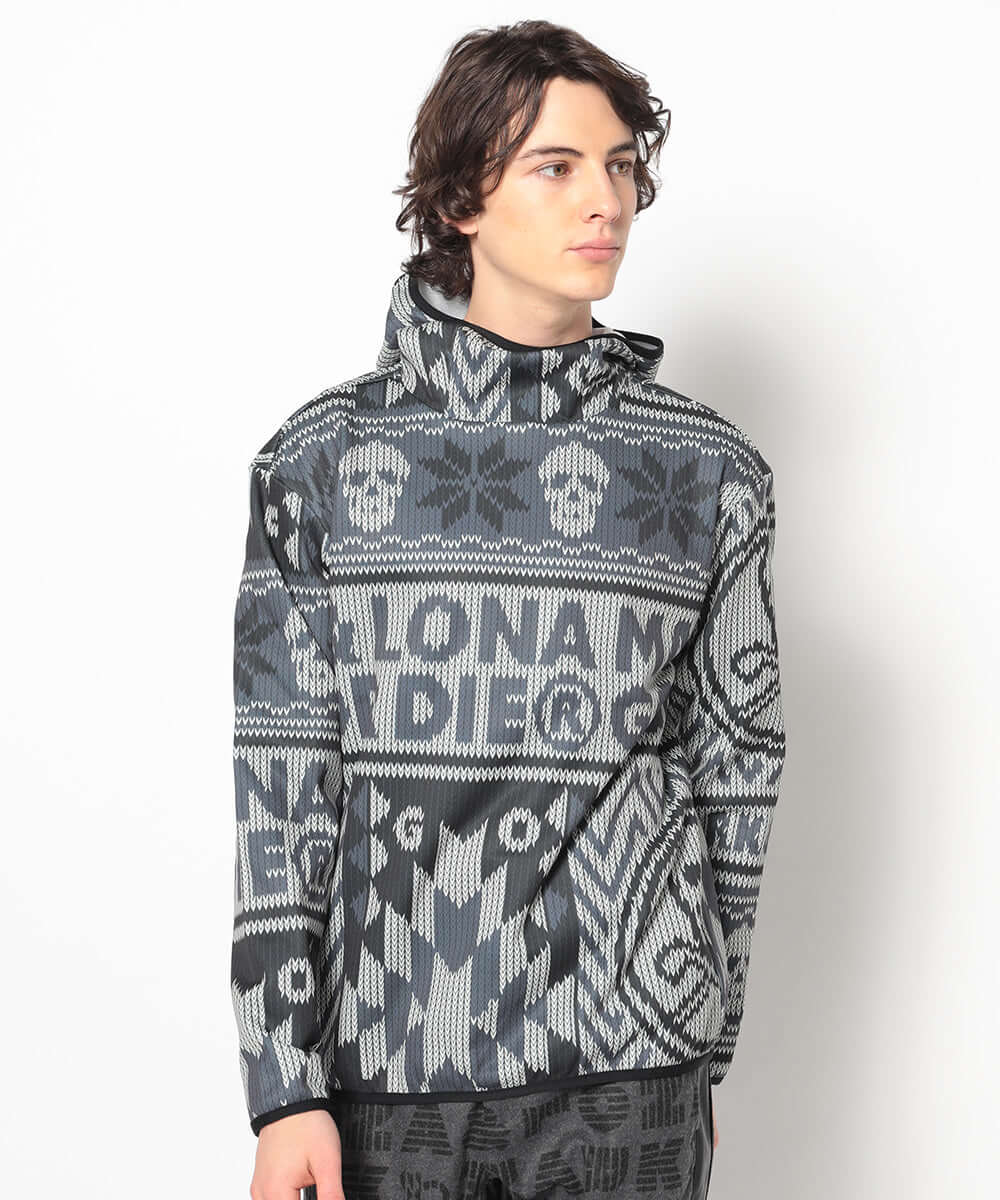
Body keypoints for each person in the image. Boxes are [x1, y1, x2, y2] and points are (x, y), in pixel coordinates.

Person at [230, 19, 786, 1200]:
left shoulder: (709, 473)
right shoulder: (319, 462)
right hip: (389, 1068)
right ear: (460, 200)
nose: (606, 200)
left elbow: (736, 772)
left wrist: (701, 1047)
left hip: (632, 1071)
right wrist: (283, 1088)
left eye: (620, 166)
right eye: (557, 166)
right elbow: (283, 779)